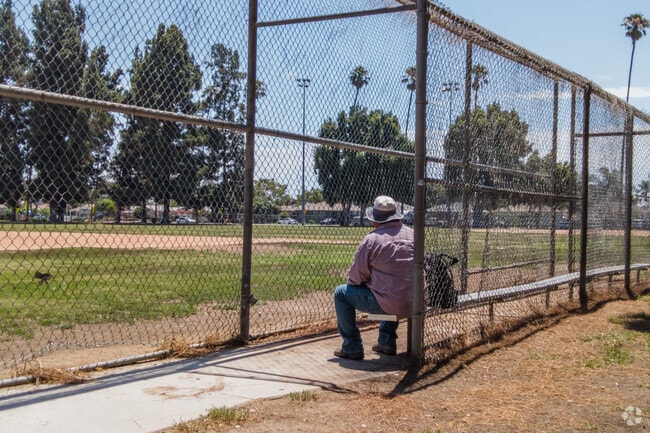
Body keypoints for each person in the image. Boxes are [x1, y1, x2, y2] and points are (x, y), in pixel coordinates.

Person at [333, 195, 414, 360]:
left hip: (388, 302)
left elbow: (356, 277)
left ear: (375, 219)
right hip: (415, 300)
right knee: (392, 285)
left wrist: (364, 282)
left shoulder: (372, 240)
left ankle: (352, 346)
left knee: (341, 293)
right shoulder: (413, 235)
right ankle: (386, 341)